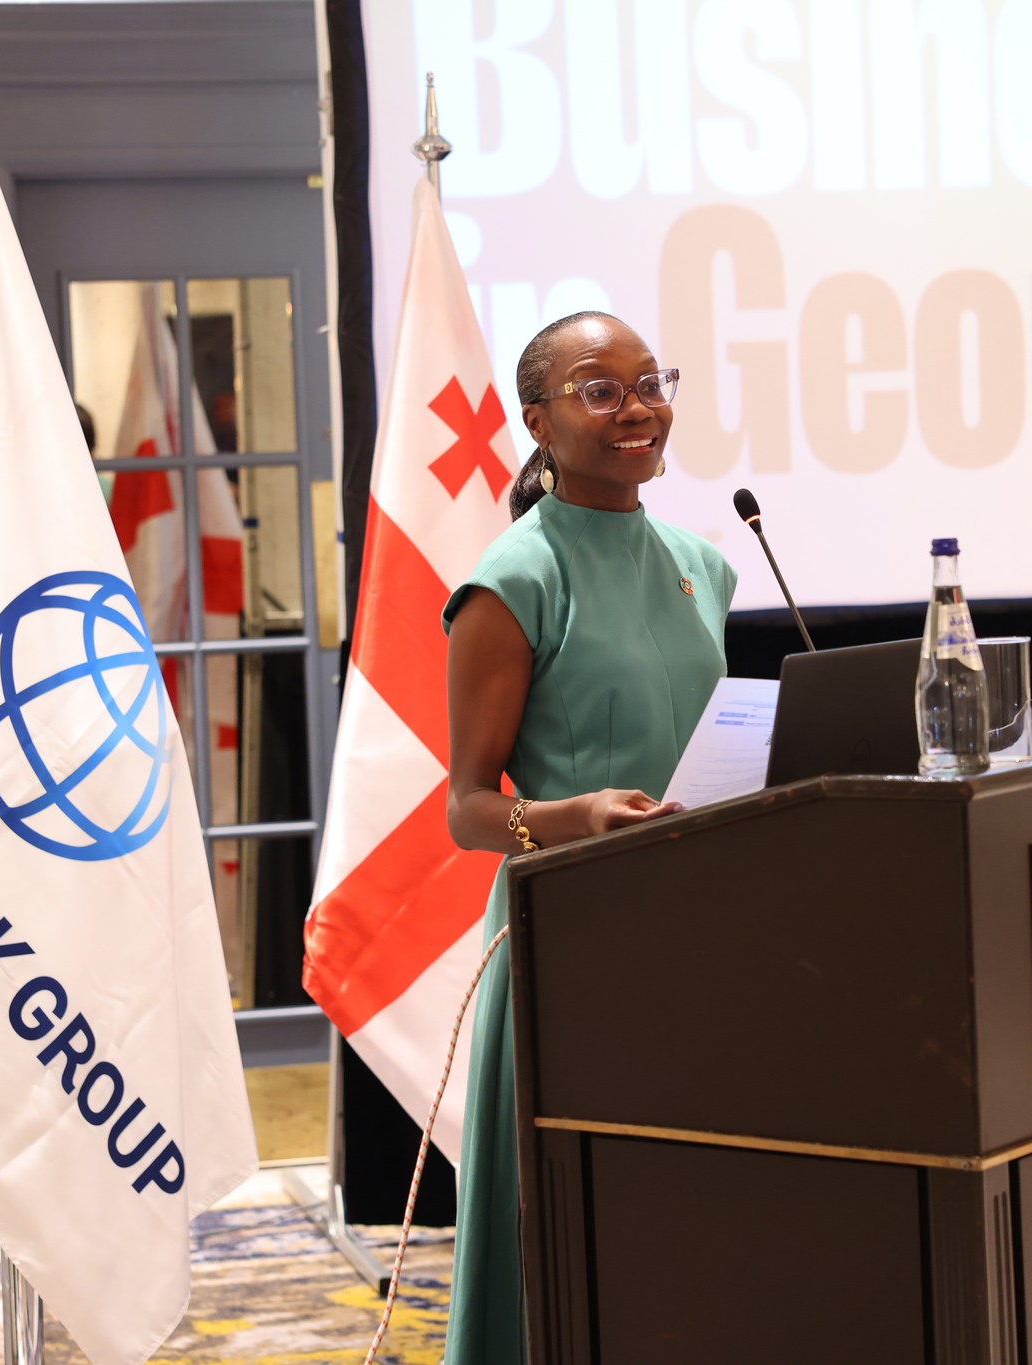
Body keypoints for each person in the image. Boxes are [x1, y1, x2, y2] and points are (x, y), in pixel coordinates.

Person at [440, 311, 737, 1361]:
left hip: (702, 934)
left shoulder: (705, 563)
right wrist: (579, 817)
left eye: (649, 384)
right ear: (538, 422)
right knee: (569, 1244)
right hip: (568, 940)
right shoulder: (514, 579)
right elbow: (467, 805)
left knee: (690, 1225)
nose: (637, 408)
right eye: (599, 390)